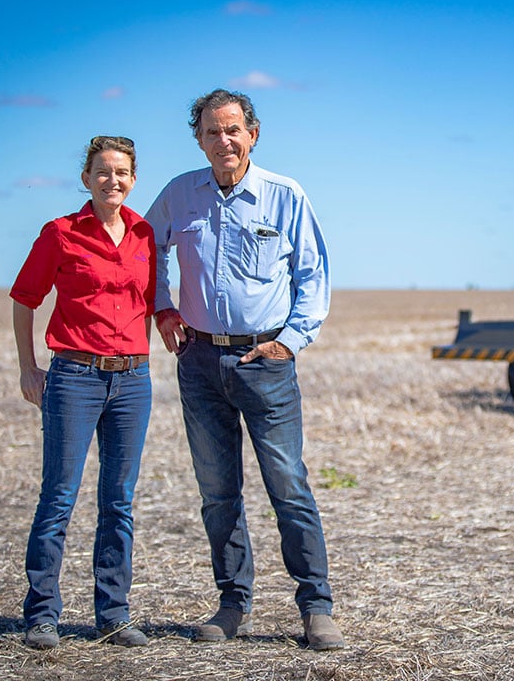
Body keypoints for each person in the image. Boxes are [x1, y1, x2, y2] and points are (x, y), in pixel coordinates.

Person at [145, 89, 344, 651]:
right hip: (200, 359)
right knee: (217, 491)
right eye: (212, 132)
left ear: (253, 134)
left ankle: (316, 607)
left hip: (266, 362)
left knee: (289, 485)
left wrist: (291, 341)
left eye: (233, 130)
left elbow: (314, 274)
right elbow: (146, 249)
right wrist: (163, 308)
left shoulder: (285, 196)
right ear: (199, 138)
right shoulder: (179, 195)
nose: (223, 141)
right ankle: (232, 604)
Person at [11, 135, 156, 650]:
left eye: (121, 172)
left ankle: (113, 614)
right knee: (59, 497)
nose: (112, 180)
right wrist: (30, 368)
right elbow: (25, 298)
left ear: (133, 179)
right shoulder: (61, 233)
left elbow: (153, 300)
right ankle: (42, 615)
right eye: (102, 171)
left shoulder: (144, 234)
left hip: (133, 379)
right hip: (74, 376)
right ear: (86, 178)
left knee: (119, 501)